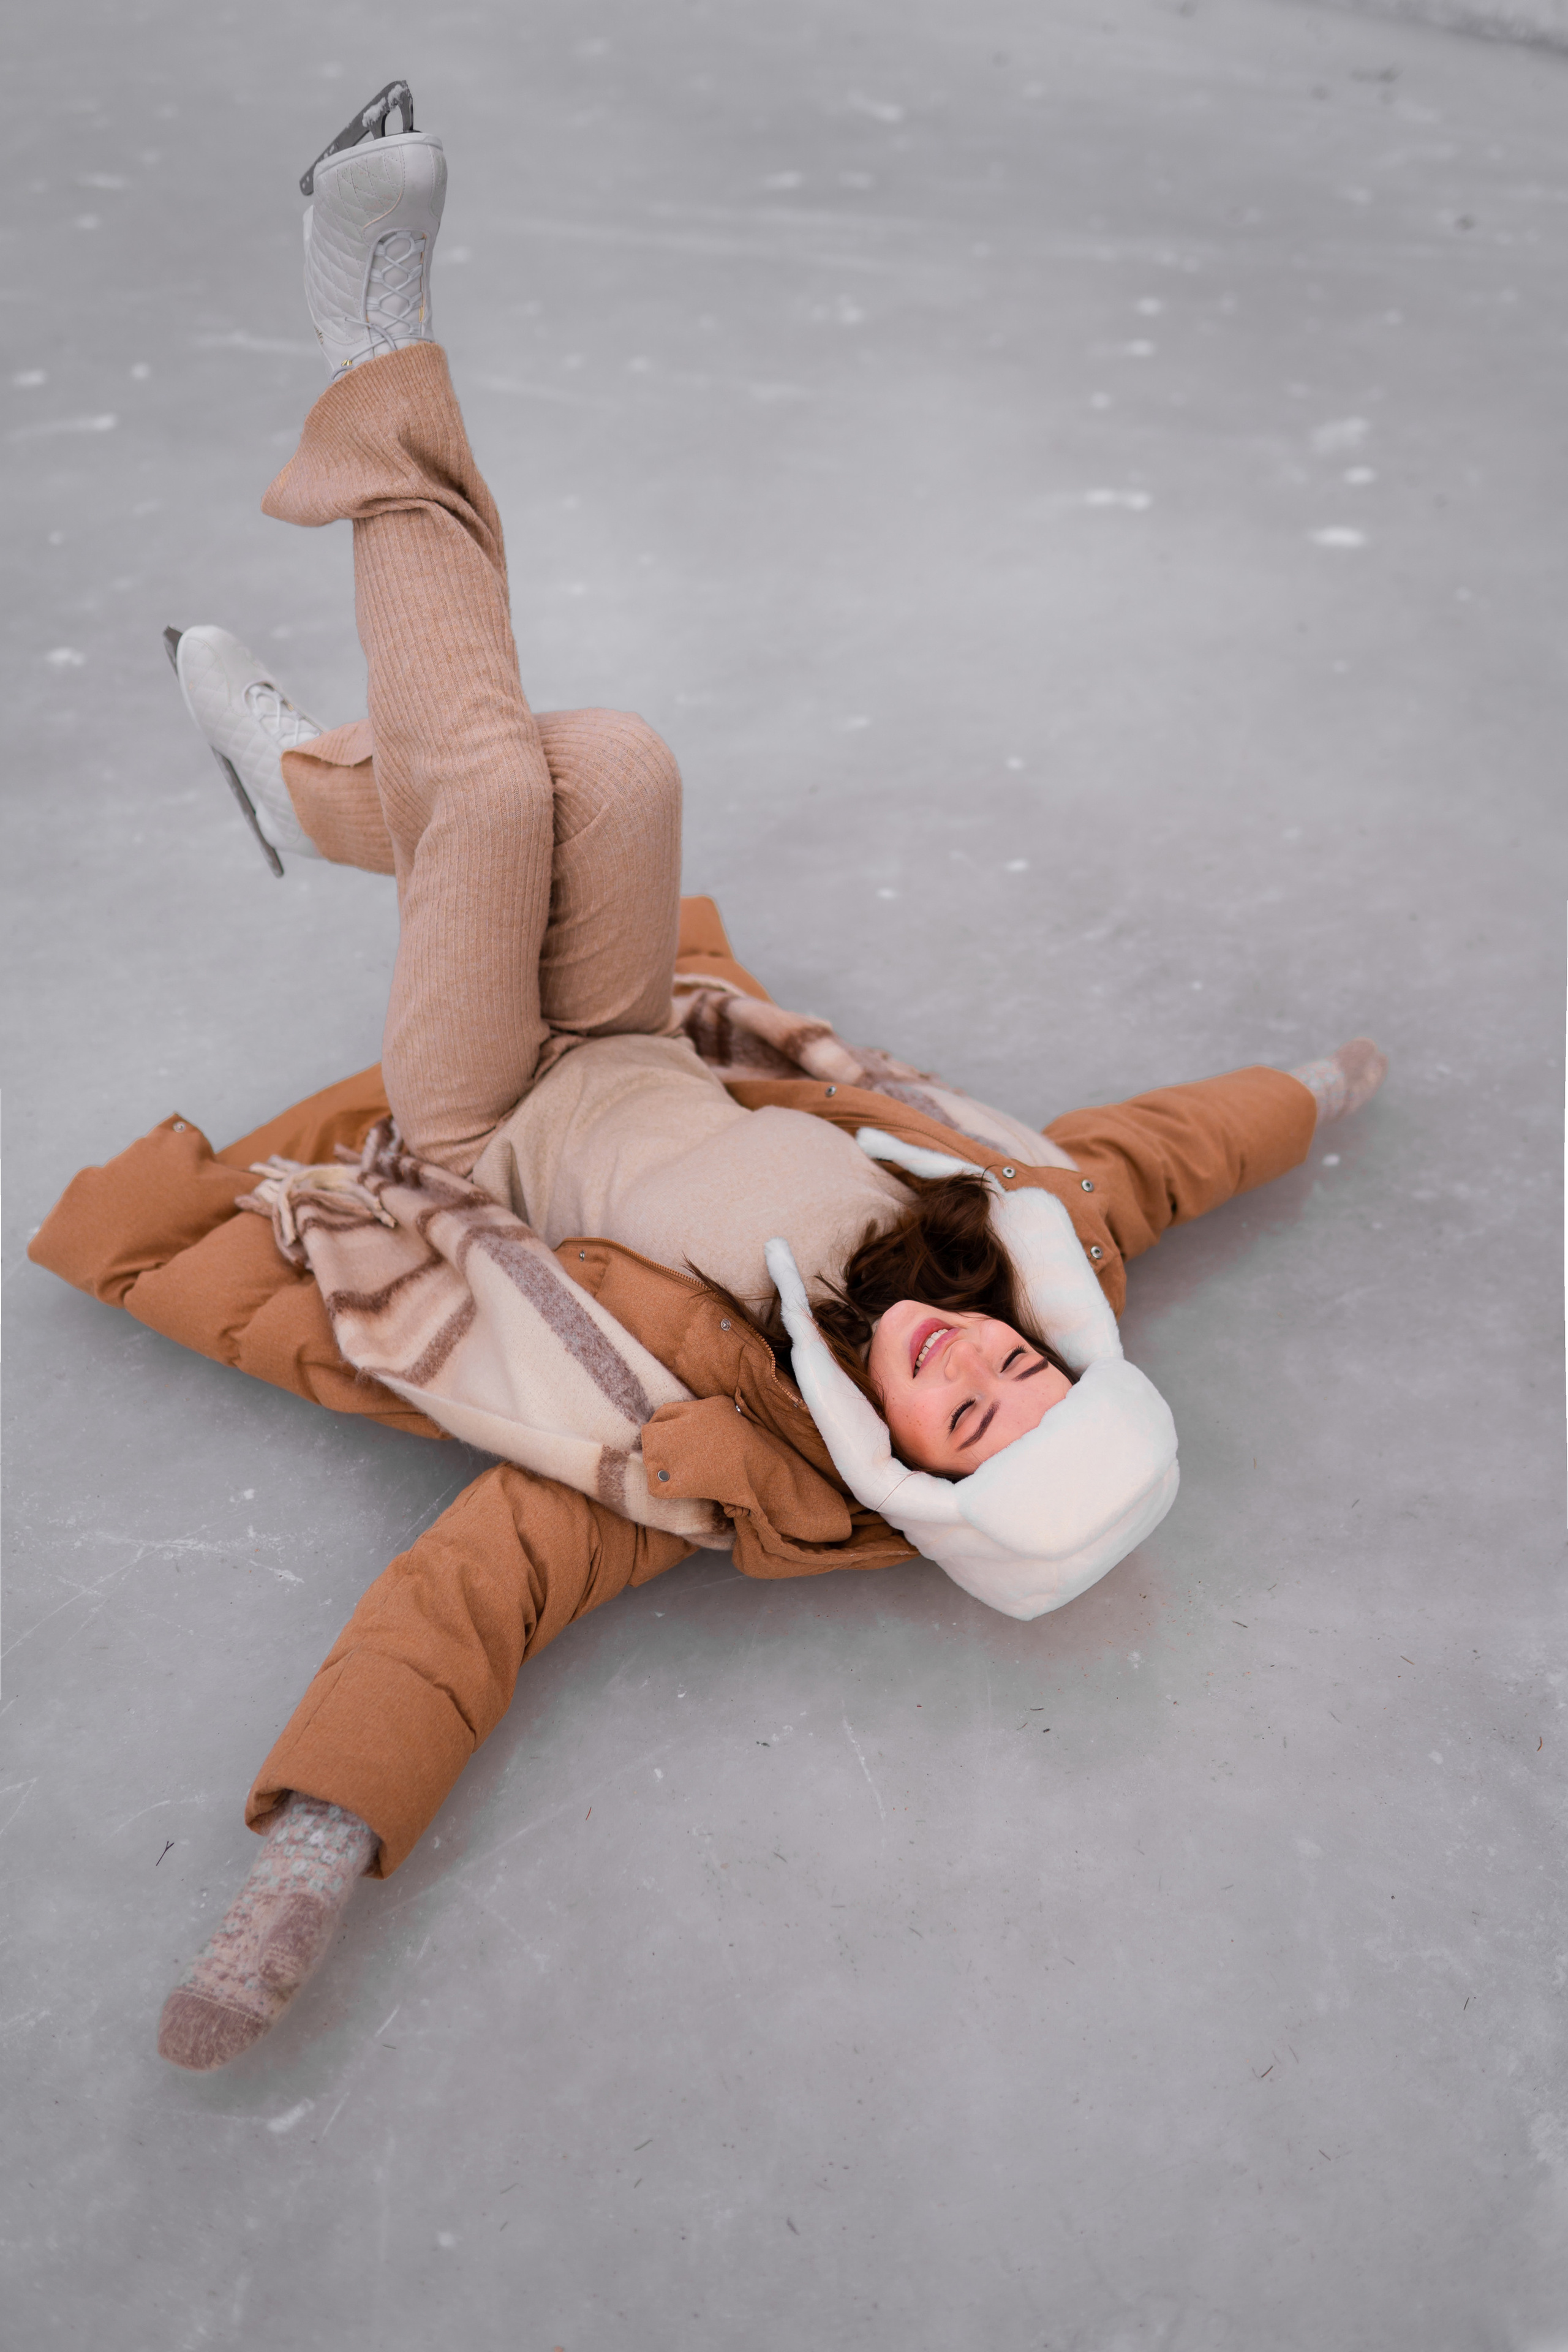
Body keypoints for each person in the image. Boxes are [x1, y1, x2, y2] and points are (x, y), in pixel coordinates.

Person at [28, 88, 1387, 2073]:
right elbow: (1165, 1158)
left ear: (923, 1490)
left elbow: (465, 1611)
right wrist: (1327, 1083)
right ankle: (303, 789)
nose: (975, 1368)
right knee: (624, 758)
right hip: (636, 1023)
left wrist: (304, 1876)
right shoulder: (1005, 1241)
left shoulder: (702, 1462)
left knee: (492, 784)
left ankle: (368, 336)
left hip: (489, 1114)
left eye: (973, 1426)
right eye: (1026, 1374)